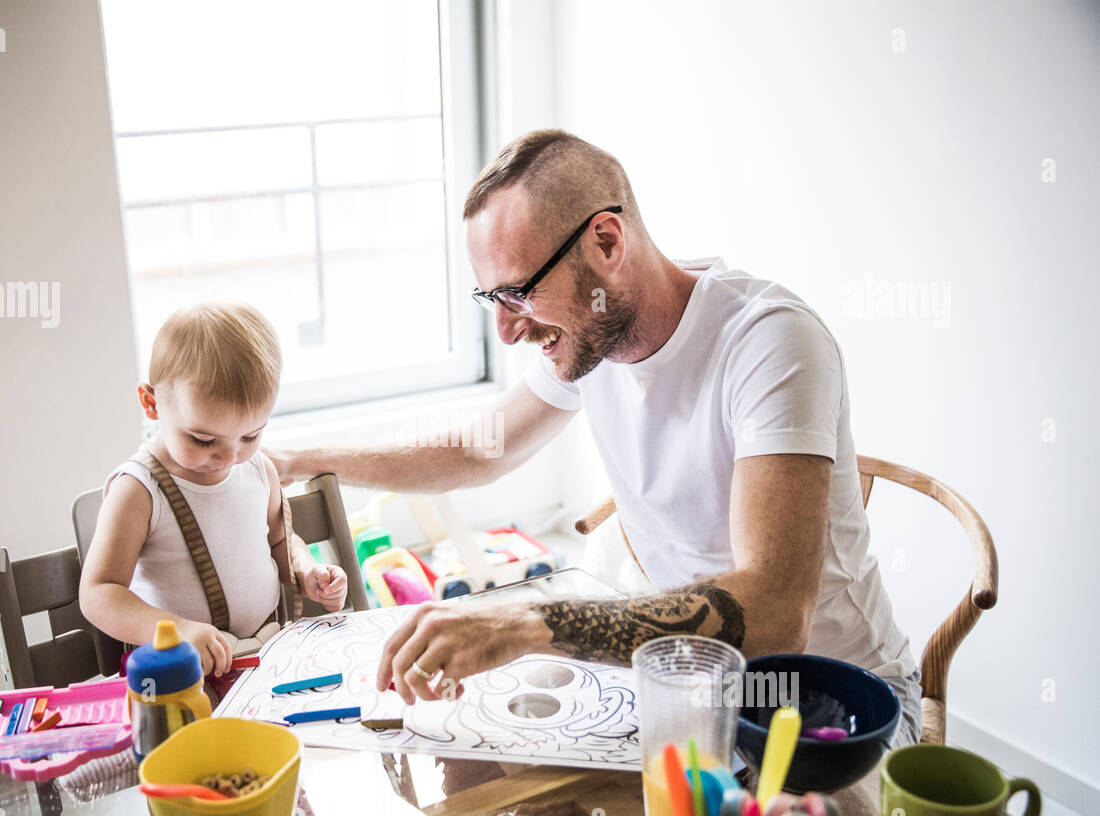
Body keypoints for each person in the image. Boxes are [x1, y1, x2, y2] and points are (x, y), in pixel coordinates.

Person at [270, 129, 922, 749]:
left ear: (606, 242)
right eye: (489, 298)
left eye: (519, 292)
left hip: (836, 710)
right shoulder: (592, 339)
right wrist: (305, 456)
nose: (506, 330)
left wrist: (530, 623)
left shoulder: (771, 342)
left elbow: (777, 613)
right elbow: (477, 448)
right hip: (696, 690)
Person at [79, 301, 348, 688]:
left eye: (251, 435)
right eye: (204, 439)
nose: (229, 455)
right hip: (179, 676)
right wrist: (177, 631)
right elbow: (98, 593)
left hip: (267, 660)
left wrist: (306, 571)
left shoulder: (258, 470)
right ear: (152, 404)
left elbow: (279, 540)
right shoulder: (138, 490)